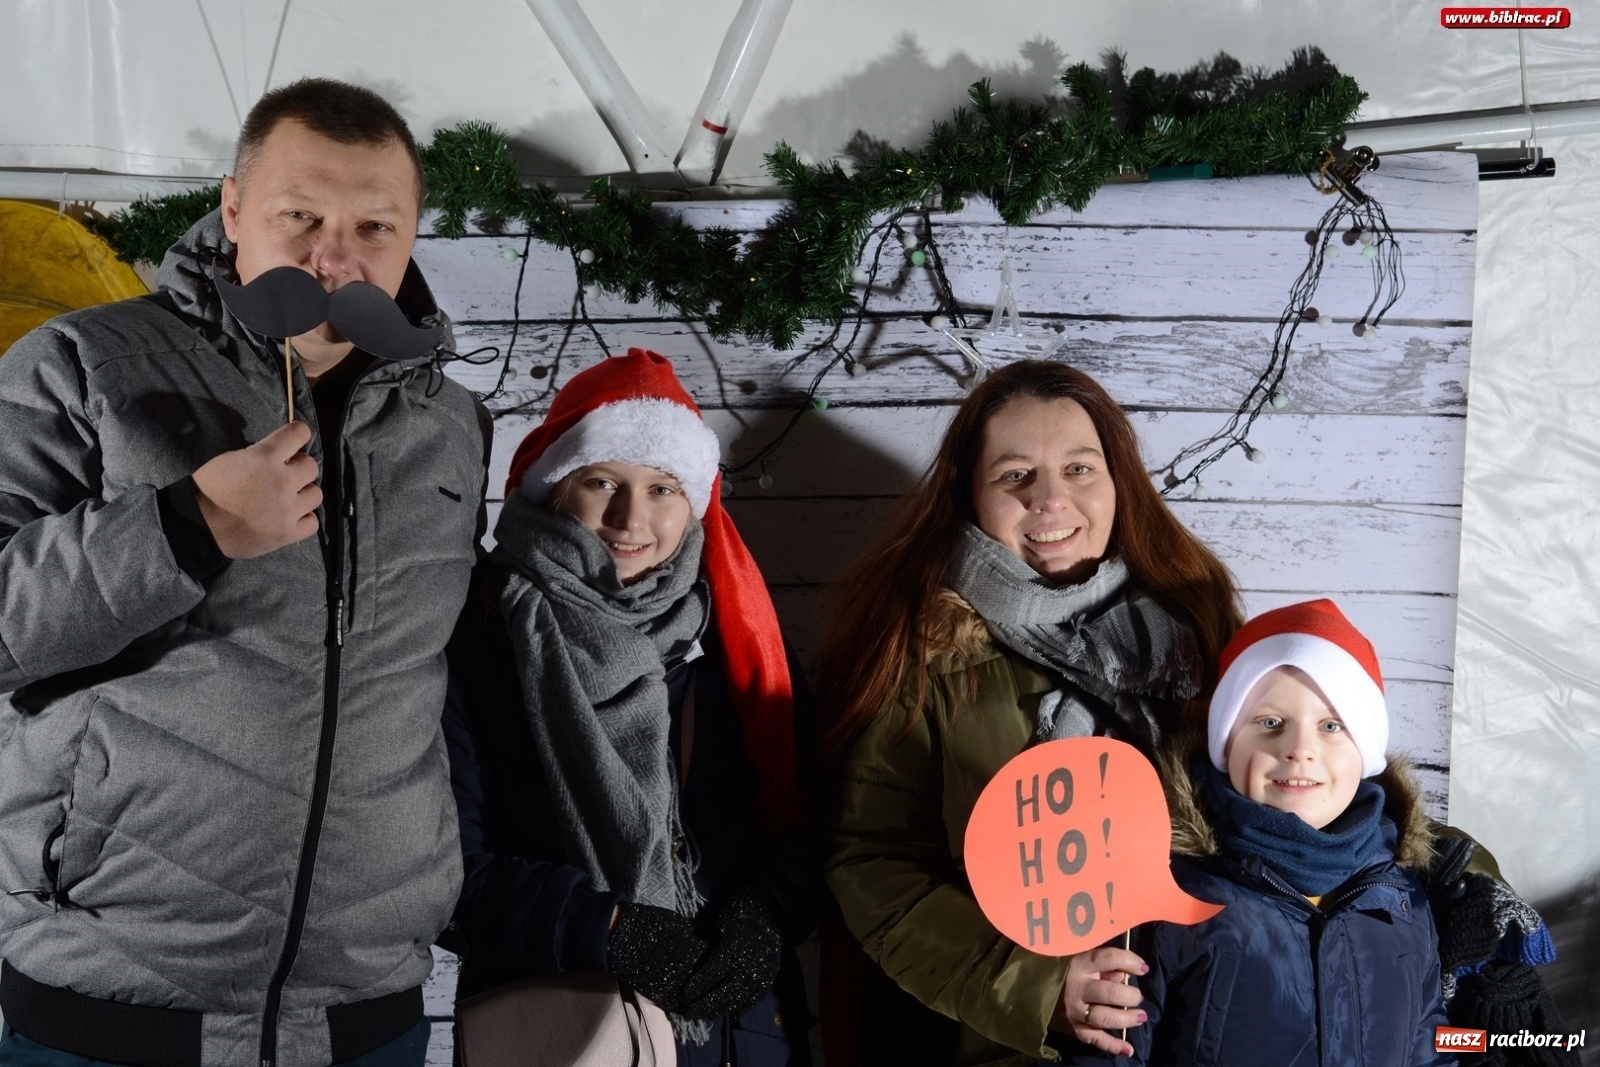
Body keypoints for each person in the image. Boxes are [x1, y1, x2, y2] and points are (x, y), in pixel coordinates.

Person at [0, 79, 490, 1067]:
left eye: (374, 227)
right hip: (108, 993)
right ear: (232, 210)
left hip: (368, 1004)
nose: (334, 257)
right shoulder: (81, 366)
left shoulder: (451, 425)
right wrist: (185, 526)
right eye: (300, 216)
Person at [818, 359, 1242, 1066]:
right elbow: (868, 861)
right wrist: (1037, 987)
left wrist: (1458, 873)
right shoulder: (921, 647)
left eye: (1079, 469)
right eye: (1015, 476)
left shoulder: (1195, 618)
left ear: (1118, 483)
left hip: (1192, 1024)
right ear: (971, 495)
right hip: (1003, 1044)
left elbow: (1305, 773)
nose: (1050, 500)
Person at [442, 348, 819, 1066]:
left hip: (743, 1035)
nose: (630, 517)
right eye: (601, 481)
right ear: (555, 488)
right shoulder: (482, 639)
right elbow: (444, 869)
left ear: (695, 501)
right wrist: (606, 929)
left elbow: (802, 819)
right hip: (565, 1031)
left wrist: (762, 914)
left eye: (663, 488)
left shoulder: (738, 639)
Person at [1069, 598, 1457, 1065]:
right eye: (1269, 722)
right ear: (1227, 744)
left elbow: (1431, 1049)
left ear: (1367, 753)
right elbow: (1113, 1050)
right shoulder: (1164, 896)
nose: (1298, 749)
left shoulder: (1402, 902)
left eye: (1332, 725)